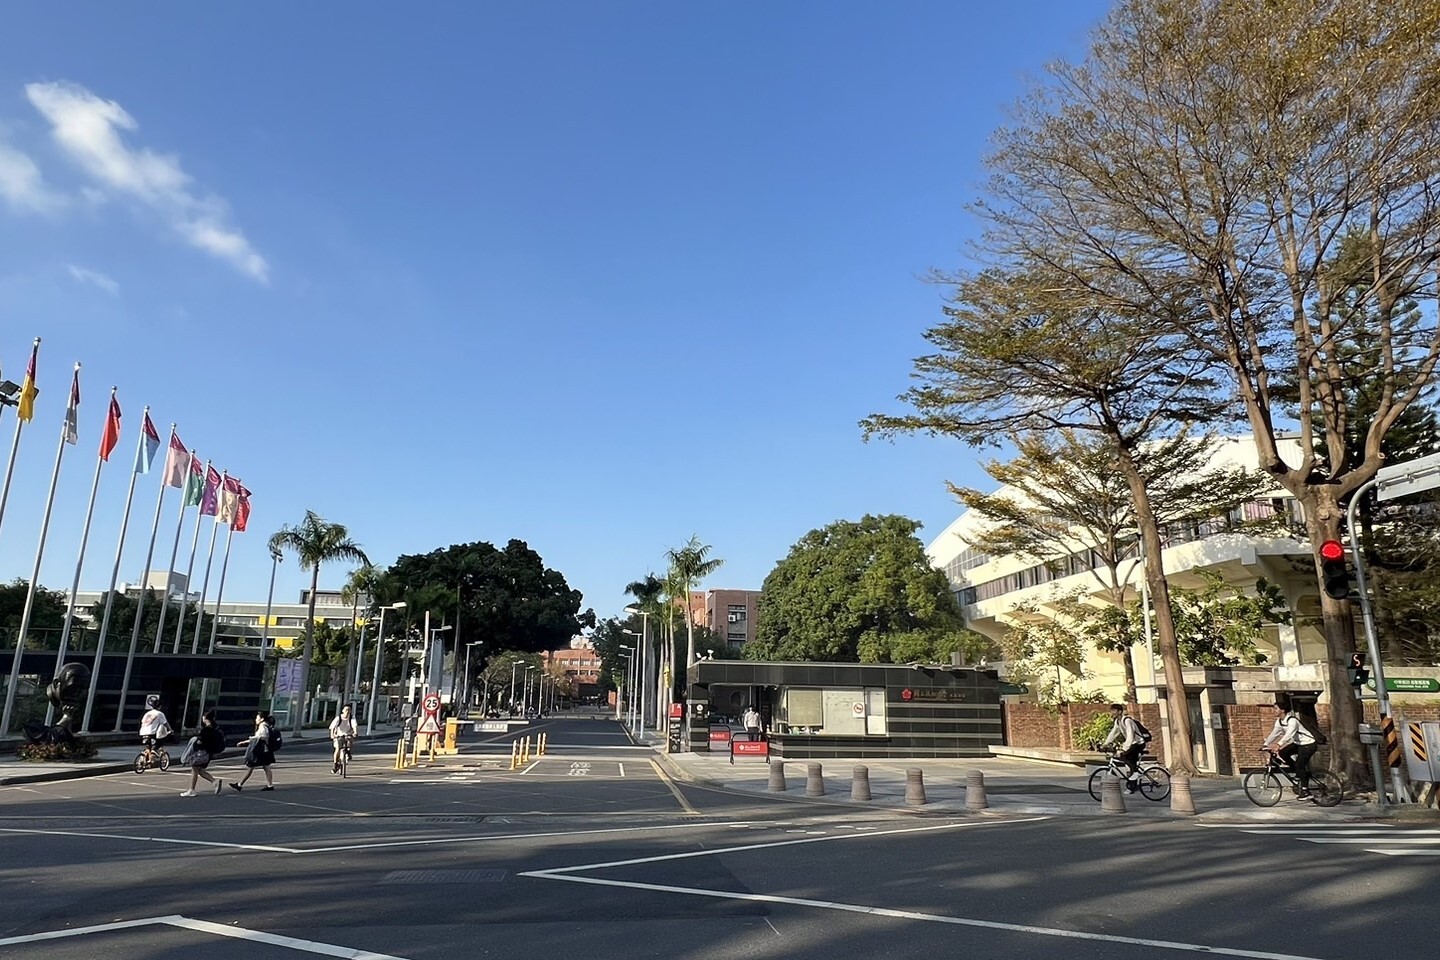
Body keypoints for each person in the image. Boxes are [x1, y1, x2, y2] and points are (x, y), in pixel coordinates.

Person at [1262, 700, 1320, 799]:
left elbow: (1289, 734)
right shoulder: (1279, 722)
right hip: (1298, 743)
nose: (1274, 711)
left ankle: (1306, 791)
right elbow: (1274, 733)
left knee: (1300, 764)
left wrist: (1278, 744)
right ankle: (1298, 773)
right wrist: (1265, 744)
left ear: (1283, 710)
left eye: (1276, 708)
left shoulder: (1292, 721)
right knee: (1283, 753)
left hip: (1308, 744)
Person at [180, 709, 226, 797]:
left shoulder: (206, 730)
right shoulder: (215, 728)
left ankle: (191, 790)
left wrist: (196, 741)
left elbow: (201, 742)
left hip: (201, 753)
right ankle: (214, 782)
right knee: (200, 770)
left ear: (205, 718)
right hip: (208, 753)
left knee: (194, 769)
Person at [1101, 703, 1145, 793]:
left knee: (1129, 760)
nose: (1112, 712)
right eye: (1111, 710)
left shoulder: (1127, 721)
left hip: (1138, 743)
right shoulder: (1118, 721)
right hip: (1131, 744)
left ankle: (1132, 784)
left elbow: (1130, 736)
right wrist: (1105, 744)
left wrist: (1124, 749)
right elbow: (1113, 733)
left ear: (1120, 711)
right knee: (1126, 760)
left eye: (1114, 711)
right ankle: (1133, 777)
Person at [230, 711, 277, 792]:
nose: (256, 719)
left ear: (262, 719)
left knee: (251, 766)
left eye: (257, 718)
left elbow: (261, 737)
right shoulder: (266, 726)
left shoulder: (263, 727)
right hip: (265, 750)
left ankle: (240, 785)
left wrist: (246, 741)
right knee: (266, 766)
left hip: (260, 750)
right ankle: (270, 785)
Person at [138, 695, 171, 761]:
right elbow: (165, 723)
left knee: (147, 747)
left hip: (143, 733)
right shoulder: (160, 714)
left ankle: (144, 759)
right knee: (157, 744)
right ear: (160, 706)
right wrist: (170, 729)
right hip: (152, 733)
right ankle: (153, 753)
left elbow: (142, 722)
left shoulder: (147, 713)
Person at [329, 704, 358, 772]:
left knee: (350, 740)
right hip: (339, 734)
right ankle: (335, 764)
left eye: (349, 710)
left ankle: (348, 752)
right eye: (346, 710)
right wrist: (332, 735)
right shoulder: (338, 718)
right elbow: (332, 727)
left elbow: (355, 726)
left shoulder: (352, 718)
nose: (347, 712)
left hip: (348, 734)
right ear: (343, 711)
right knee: (338, 748)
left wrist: (355, 733)